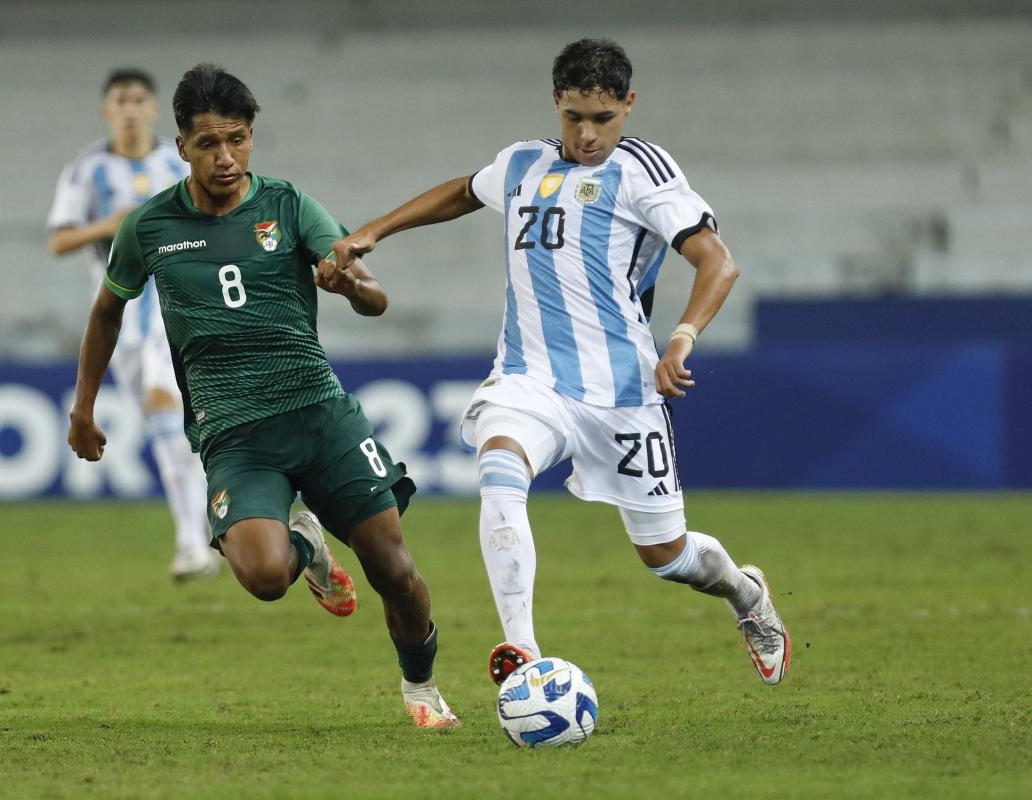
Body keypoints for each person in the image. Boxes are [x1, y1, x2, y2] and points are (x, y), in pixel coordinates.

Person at [328, 38, 790, 687]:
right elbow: (463, 191)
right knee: (500, 470)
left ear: (628, 106)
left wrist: (682, 337)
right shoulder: (522, 163)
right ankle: (523, 651)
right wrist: (374, 229)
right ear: (556, 103)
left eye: (603, 118)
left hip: (621, 388)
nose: (588, 133)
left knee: (666, 555)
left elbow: (718, 260)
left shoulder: (643, 171)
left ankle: (746, 594)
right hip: (529, 377)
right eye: (575, 117)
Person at [67, 63, 459, 728]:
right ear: (181, 147)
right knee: (264, 576)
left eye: (240, 140)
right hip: (234, 431)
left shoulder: (288, 205)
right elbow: (107, 312)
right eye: (210, 144)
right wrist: (83, 408)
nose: (227, 158)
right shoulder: (149, 227)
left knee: (392, 566)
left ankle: (421, 688)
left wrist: (351, 287)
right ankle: (303, 544)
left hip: (318, 415)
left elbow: (375, 297)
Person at [48, 67, 220, 581]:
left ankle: (194, 544)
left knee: (167, 409)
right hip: (118, 314)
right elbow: (59, 240)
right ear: (107, 110)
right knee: (170, 427)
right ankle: (208, 527)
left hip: (178, 307)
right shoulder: (87, 169)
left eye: (138, 99)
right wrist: (111, 224)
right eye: (119, 99)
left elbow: (216, 215)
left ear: (152, 108)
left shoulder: (177, 159)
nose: (128, 108)